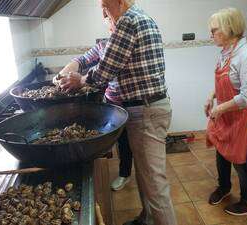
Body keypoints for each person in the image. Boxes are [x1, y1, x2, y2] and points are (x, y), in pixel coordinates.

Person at [57, 0, 177, 225]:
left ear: (120, 1)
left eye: (106, 5)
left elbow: (106, 69)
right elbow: (94, 61)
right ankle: (148, 219)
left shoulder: (128, 21)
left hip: (146, 110)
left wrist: (81, 80)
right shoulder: (140, 17)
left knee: (155, 182)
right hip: (146, 108)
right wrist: (71, 73)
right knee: (146, 176)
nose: (104, 12)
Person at [55, 15, 133, 192]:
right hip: (114, 104)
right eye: (111, 25)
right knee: (122, 141)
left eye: (115, 23)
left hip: (132, 102)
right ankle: (125, 173)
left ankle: (127, 174)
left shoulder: (126, 43)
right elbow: (80, 61)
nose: (114, 27)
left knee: (130, 143)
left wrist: (81, 80)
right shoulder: (102, 45)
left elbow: (102, 73)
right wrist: (60, 75)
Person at [205, 8, 247, 216]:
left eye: (214, 30)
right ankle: (224, 186)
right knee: (221, 149)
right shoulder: (226, 52)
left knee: (240, 158)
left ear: (229, 29)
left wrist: (220, 107)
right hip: (227, 111)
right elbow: (224, 80)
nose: (211, 34)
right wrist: (211, 96)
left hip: (243, 114)